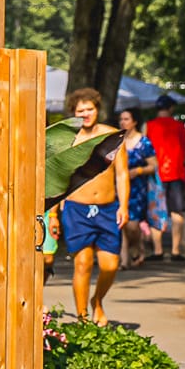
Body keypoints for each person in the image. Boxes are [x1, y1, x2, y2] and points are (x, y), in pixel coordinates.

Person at [51, 88, 129, 324]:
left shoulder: (113, 136)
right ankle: (83, 318)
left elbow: (122, 175)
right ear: (73, 113)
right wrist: (53, 213)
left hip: (107, 208)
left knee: (110, 264)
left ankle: (97, 300)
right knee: (82, 264)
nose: (86, 113)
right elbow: (57, 178)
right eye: (80, 110)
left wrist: (123, 206)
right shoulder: (69, 140)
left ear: (97, 109)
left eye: (90, 109)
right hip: (77, 209)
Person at [116, 108, 166, 267]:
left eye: (126, 119)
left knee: (132, 224)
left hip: (137, 188)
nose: (122, 122)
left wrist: (138, 171)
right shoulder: (116, 140)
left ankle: (138, 246)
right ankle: (124, 260)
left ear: (134, 122)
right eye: (121, 119)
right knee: (120, 223)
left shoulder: (144, 142)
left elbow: (154, 165)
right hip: (117, 186)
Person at [143, 100, 185, 258]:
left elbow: (144, 148)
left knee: (155, 210)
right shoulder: (180, 126)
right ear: (171, 108)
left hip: (156, 173)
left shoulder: (149, 126)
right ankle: (176, 250)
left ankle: (158, 250)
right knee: (177, 211)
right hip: (176, 172)